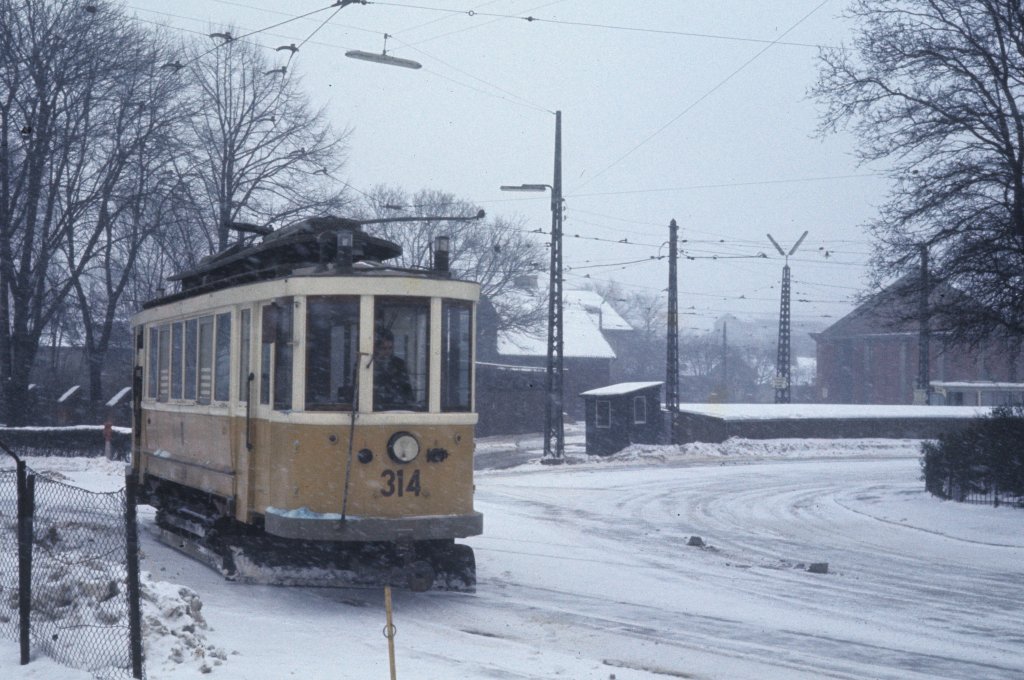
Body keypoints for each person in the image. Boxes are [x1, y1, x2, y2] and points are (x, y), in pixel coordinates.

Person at [373, 329, 413, 409]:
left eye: (390, 348)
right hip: (374, 410)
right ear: (376, 348)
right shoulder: (367, 365)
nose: (387, 352)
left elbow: (407, 391)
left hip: (397, 410)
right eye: (383, 348)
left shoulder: (399, 365)